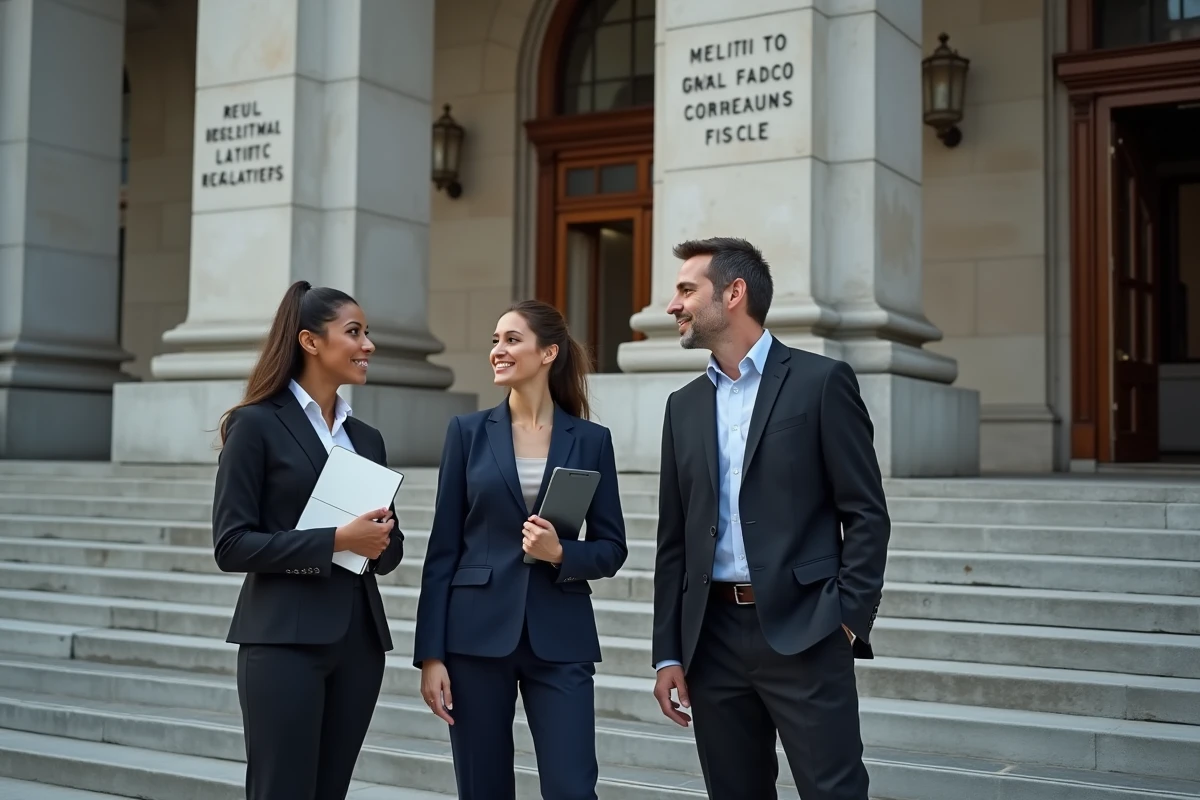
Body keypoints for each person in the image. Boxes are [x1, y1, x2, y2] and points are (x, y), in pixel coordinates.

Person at [651, 238, 890, 800]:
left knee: (834, 792)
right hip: (710, 642)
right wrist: (669, 652)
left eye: (687, 290)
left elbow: (866, 513)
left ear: (734, 294)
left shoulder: (821, 382)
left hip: (807, 631)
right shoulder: (682, 406)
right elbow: (674, 543)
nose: (673, 305)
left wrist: (846, 620)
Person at [413, 300, 628, 800]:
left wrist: (561, 554)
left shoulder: (592, 440)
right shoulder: (466, 433)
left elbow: (612, 547)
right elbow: (442, 549)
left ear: (548, 352)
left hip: (561, 634)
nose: (498, 351)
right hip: (474, 637)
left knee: (573, 787)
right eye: (494, 340)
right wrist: (431, 654)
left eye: (511, 340)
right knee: (482, 787)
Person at [211, 281, 404, 800]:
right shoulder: (254, 426)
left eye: (368, 333)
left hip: (358, 645)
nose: (368, 345)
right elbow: (231, 545)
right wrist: (337, 538)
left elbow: (389, 551)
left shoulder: (365, 437)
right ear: (310, 342)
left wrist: (381, 538)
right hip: (282, 643)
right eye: (354, 332)